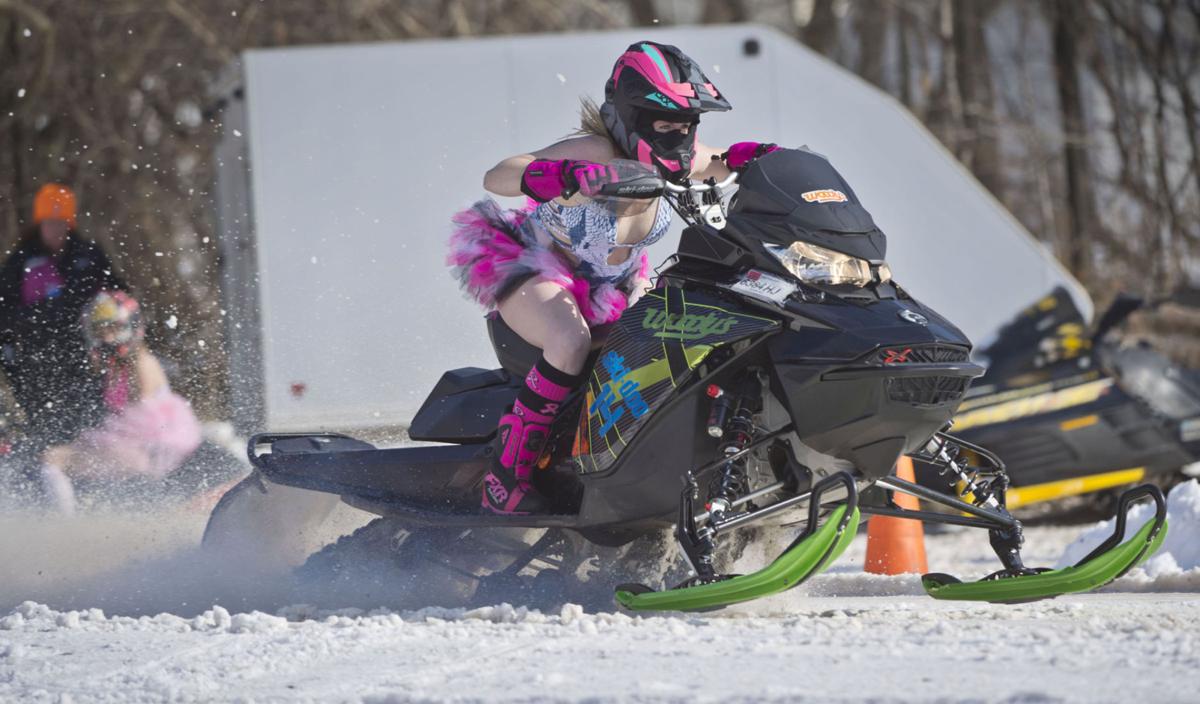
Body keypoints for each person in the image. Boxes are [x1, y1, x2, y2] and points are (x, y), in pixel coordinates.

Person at [448, 41, 780, 514]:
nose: (680, 137)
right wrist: (558, 175)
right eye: (666, 125)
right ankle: (504, 477)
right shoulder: (596, 149)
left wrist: (770, 159)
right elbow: (498, 175)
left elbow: (729, 160)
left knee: (676, 339)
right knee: (569, 341)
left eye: (688, 126)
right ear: (633, 118)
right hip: (540, 269)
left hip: (615, 282)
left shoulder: (684, 156)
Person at [38, 291, 202, 513]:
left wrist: (91, 443)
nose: (106, 338)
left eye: (113, 329)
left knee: (53, 459)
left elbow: (138, 422)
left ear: (131, 327)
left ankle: (65, 522)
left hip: (148, 452)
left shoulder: (141, 362)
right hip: (140, 448)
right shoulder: (119, 365)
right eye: (100, 331)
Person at [0, 183, 126, 451]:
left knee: (89, 421)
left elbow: (117, 294)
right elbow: (5, 311)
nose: (55, 230)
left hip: (84, 355)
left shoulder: (88, 255)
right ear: (39, 224)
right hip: (36, 359)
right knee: (46, 426)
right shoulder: (21, 262)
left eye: (61, 223)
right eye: (49, 223)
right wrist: (37, 317)